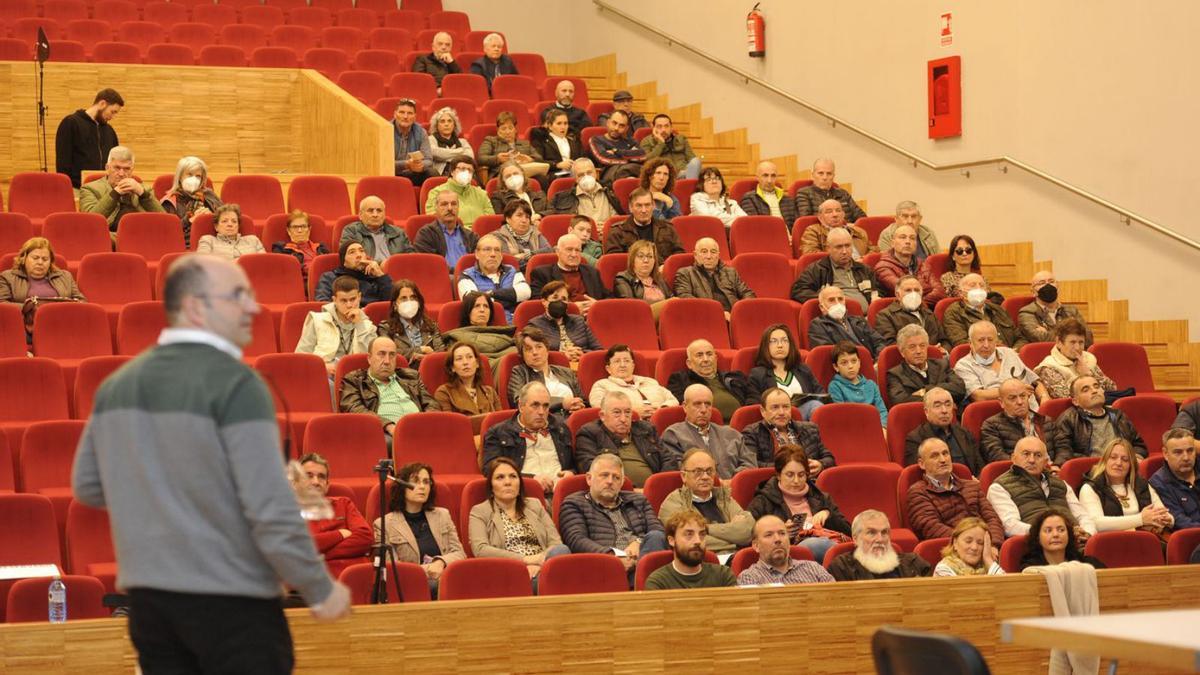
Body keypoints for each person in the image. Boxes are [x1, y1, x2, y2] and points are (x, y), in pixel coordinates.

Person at [71, 255, 351, 672]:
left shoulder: (118, 386)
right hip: (232, 603)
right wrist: (318, 587)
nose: (253, 308)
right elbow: (269, 506)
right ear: (196, 306)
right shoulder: (238, 384)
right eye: (237, 296)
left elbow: (88, 487)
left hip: (150, 604)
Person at [558, 454, 668, 575]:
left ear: (622, 482)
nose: (610, 481)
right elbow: (576, 540)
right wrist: (613, 556)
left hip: (641, 557)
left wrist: (638, 542)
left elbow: (659, 531)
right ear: (589, 479)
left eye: (616, 477)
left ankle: (644, 579)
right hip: (604, 566)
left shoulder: (639, 500)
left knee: (656, 536)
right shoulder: (574, 503)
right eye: (604, 475)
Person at [467, 457, 569, 584]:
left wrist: (539, 564)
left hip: (542, 567)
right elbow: (480, 549)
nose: (508, 482)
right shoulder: (480, 511)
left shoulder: (535, 505)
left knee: (561, 550)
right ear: (491, 487)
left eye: (513, 476)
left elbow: (555, 542)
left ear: (519, 483)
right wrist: (525, 561)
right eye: (500, 477)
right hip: (507, 570)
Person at [748, 445, 851, 563]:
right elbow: (750, 538)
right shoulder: (763, 501)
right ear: (778, 475)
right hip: (788, 558)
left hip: (828, 547)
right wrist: (779, 532)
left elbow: (848, 531)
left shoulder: (821, 497)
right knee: (814, 545)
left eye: (801, 475)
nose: (796, 481)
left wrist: (828, 515)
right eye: (790, 475)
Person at [373, 462, 466, 592]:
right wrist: (428, 569)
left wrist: (440, 562)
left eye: (426, 482)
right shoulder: (384, 524)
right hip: (410, 585)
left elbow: (460, 553)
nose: (422, 486)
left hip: (446, 578)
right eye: (416, 481)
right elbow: (392, 568)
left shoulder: (442, 515)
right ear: (402, 487)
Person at [986, 436, 1097, 538]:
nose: (1032, 460)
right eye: (1026, 454)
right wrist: (1056, 533)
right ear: (1014, 458)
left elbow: (1083, 516)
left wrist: (1087, 534)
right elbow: (1010, 526)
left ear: (1045, 462)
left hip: (1075, 542)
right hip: (1036, 545)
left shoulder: (1061, 484)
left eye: (1038, 455)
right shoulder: (999, 487)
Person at [481, 381, 575, 494]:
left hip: (562, 493)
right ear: (521, 406)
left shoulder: (561, 429)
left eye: (545, 406)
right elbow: (491, 470)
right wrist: (531, 480)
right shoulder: (499, 433)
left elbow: (575, 464)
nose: (541, 412)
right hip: (524, 494)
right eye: (535, 405)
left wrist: (571, 473)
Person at [906, 438, 1005, 543]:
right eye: (935, 456)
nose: (943, 459)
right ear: (922, 464)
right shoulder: (918, 492)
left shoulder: (972, 486)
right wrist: (973, 543)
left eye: (945, 453)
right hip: (951, 550)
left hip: (986, 546)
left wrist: (994, 545)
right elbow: (932, 529)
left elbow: (993, 519)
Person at [658, 449, 753, 554]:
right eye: (697, 472)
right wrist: (735, 540)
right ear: (683, 476)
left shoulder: (723, 497)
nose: (705, 477)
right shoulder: (673, 504)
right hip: (702, 561)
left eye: (709, 471)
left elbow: (749, 530)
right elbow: (689, 542)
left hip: (735, 557)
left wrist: (707, 529)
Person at [340, 336, 435, 437]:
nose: (387, 361)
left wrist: (429, 422)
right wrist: (388, 426)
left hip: (421, 428)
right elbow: (355, 409)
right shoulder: (354, 380)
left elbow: (431, 403)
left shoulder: (411, 376)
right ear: (369, 358)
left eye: (392, 355)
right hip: (383, 432)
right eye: (381, 354)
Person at [575, 390, 675, 486]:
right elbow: (594, 471)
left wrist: (657, 486)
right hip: (617, 495)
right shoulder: (589, 434)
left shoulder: (646, 430)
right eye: (617, 412)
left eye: (627, 412)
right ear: (602, 415)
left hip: (653, 491)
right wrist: (630, 491)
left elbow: (669, 460)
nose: (623, 419)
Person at [297, 453, 372, 576]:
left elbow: (366, 537)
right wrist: (339, 534)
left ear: (327, 485)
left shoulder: (344, 503)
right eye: (308, 476)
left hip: (359, 579)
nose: (315, 482)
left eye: (321, 477)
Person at [660, 384, 755, 479]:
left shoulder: (732, 434)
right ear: (685, 406)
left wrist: (733, 481)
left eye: (708, 404)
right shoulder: (673, 435)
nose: (703, 410)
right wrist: (716, 482)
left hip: (734, 489)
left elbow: (750, 464)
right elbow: (680, 470)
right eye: (697, 404)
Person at [1079, 438, 1173, 533]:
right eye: (1113, 457)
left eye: (1125, 459)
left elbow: (1165, 514)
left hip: (1144, 540)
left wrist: (1166, 520)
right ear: (1104, 461)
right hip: (1110, 543)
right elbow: (1096, 523)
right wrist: (1140, 519)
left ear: (1131, 464)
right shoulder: (1090, 488)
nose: (1119, 463)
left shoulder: (1141, 484)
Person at [1051, 375, 1147, 466]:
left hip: (1122, 466)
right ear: (1075, 401)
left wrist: (1137, 457)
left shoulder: (1118, 415)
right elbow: (1064, 451)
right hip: (1091, 471)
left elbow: (1138, 444)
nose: (1094, 391)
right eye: (1086, 390)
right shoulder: (1068, 418)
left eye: (1096, 386)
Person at [0, 237, 86, 339]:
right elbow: (2, 304)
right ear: (24, 258)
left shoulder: (65, 276)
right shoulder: (7, 277)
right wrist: (28, 307)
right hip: (26, 329)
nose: (40, 262)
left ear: (51, 261)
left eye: (45, 259)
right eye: (35, 258)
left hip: (64, 325)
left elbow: (82, 301)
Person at [903, 388, 1002, 475]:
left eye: (948, 404)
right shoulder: (916, 438)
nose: (944, 410)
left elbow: (980, 467)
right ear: (926, 411)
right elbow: (918, 475)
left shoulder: (964, 433)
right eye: (937, 406)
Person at [741, 388, 837, 474]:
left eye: (786, 407)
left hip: (811, 484)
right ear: (763, 411)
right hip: (773, 486)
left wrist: (820, 464)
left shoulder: (810, 429)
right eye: (775, 407)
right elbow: (752, 465)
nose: (781, 412)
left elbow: (829, 458)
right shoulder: (752, 433)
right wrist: (787, 467)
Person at [296, 276, 377, 375]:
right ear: (334, 300)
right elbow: (301, 357)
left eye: (353, 299)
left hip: (356, 377)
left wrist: (360, 325)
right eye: (343, 300)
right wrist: (322, 366)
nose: (349, 305)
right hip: (325, 374)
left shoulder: (367, 326)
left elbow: (373, 359)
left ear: (359, 297)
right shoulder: (318, 320)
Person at [954, 320, 1046, 405]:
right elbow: (979, 396)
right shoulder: (963, 366)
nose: (986, 345)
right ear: (970, 343)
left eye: (990, 340)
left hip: (1032, 411)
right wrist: (1016, 391)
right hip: (999, 418)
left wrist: (1044, 397)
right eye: (981, 340)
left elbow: (1034, 381)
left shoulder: (1009, 353)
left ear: (996, 341)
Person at [790, 227, 879, 313]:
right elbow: (798, 291)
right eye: (839, 247)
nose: (844, 251)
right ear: (828, 248)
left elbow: (879, 292)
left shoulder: (864, 269)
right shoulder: (818, 269)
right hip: (836, 320)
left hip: (866, 319)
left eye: (847, 246)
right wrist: (826, 297)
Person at [747, 324, 827, 418]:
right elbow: (753, 405)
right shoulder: (758, 374)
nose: (780, 345)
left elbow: (821, 395)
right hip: (775, 419)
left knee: (816, 405)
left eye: (784, 341)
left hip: (804, 418)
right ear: (765, 346)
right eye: (773, 341)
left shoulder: (803, 369)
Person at [643, 510, 738, 590]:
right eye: (689, 534)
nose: (697, 541)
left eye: (702, 534)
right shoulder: (658, 582)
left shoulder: (723, 576)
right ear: (672, 540)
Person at [827, 510, 932, 581]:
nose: (880, 539)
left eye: (884, 532)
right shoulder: (841, 568)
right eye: (871, 532)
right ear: (855, 539)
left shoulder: (914, 563)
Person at [79, 146, 164, 231]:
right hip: (109, 237)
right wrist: (115, 193)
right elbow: (90, 222)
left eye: (127, 169)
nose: (121, 173)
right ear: (107, 168)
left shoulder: (144, 190)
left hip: (142, 235)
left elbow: (164, 220)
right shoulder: (89, 189)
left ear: (132, 169)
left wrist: (143, 194)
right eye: (117, 168)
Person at [666, 338, 753, 421]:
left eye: (709, 354)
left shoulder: (735, 377)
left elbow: (752, 400)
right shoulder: (680, 379)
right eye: (699, 355)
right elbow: (684, 408)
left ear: (716, 359)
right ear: (689, 364)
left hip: (741, 427)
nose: (706, 359)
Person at [736, 515, 836, 586]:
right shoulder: (749, 578)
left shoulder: (814, 569)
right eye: (769, 535)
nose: (777, 539)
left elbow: (837, 600)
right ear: (756, 545)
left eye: (782, 533)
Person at [506, 326, 584, 413]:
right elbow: (519, 401)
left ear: (547, 349)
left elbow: (583, 401)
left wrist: (578, 406)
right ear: (522, 355)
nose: (535, 352)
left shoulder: (566, 372)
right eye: (528, 349)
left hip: (572, 418)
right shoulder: (519, 372)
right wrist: (562, 403)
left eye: (539, 347)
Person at [55, 88, 123, 189]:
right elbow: (63, 163)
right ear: (102, 104)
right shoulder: (71, 123)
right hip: (78, 188)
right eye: (112, 112)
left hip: (105, 189)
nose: (113, 116)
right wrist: (67, 188)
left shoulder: (109, 131)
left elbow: (116, 162)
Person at [673, 236, 755, 319]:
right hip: (705, 318)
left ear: (718, 255)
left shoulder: (731, 272)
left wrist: (740, 312)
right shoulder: (685, 273)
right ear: (695, 255)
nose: (709, 256)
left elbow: (748, 293)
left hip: (734, 318)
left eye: (713, 252)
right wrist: (717, 313)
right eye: (704, 252)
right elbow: (685, 298)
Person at [885, 324, 965, 406]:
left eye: (922, 345)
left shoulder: (942, 364)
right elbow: (901, 402)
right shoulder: (895, 374)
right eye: (912, 347)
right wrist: (946, 399)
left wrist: (925, 390)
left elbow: (959, 389)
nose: (918, 351)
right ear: (902, 352)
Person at [457, 233, 531, 322]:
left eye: (497, 250)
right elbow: (474, 303)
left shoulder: (511, 270)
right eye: (487, 249)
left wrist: (492, 294)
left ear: (501, 255)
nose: (493, 254)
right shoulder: (466, 275)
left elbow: (526, 292)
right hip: (486, 326)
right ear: (477, 254)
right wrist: (512, 298)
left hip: (514, 323)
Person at [1035, 319, 1117, 399]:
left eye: (1081, 342)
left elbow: (1112, 389)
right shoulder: (1048, 367)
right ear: (1059, 343)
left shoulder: (1087, 359)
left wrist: (1090, 374)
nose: (1077, 348)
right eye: (1072, 342)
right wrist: (1086, 377)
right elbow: (1067, 398)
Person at [588, 343, 678, 413]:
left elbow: (673, 400)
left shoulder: (650, 382)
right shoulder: (601, 385)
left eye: (627, 361)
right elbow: (600, 408)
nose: (622, 365)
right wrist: (632, 412)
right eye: (617, 361)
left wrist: (662, 409)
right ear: (608, 369)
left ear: (633, 366)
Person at [979, 378, 1056, 459]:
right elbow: (997, 456)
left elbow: (1063, 448)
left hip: (1052, 469)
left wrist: (1057, 465)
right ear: (1001, 403)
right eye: (1012, 398)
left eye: (1023, 396)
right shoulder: (991, 425)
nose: (1020, 402)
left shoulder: (1045, 420)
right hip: (1017, 470)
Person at [943, 273, 1024, 349]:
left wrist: (1015, 351)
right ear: (961, 292)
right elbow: (961, 343)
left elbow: (1020, 337)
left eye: (982, 285)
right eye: (972, 285)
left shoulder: (998, 309)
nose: (978, 288)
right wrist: (1001, 350)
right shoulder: (954, 312)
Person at [376, 280, 446, 366]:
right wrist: (421, 349)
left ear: (419, 302)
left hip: (431, 369)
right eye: (403, 298)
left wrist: (426, 359)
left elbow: (441, 353)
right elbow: (390, 353)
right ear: (395, 305)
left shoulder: (431, 325)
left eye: (413, 297)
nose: (409, 302)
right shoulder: (385, 328)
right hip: (403, 374)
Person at [527, 232, 606, 309]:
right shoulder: (542, 273)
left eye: (577, 250)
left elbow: (608, 298)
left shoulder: (592, 272)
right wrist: (571, 308)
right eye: (569, 249)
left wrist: (597, 305)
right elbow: (538, 303)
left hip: (592, 316)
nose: (574, 254)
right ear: (558, 252)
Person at [527, 280, 603, 359]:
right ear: (544, 302)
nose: (559, 302)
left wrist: (583, 354)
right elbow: (533, 354)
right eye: (555, 297)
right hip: (555, 367)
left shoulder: (579, 321)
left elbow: (599, 350)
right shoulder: (535, 325)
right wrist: (562, 356)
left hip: (580, 365)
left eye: (564, 299)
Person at [604, 188, 685, 261]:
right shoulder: (617, 231)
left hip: (663, 274)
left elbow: (679, 256)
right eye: (639, 205)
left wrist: (666, 267)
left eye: (647, 205)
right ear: (630, 207)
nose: (644, 210)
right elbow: (614, 262)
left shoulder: (667, 228)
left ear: (653, 206)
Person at [442, 291, 517, 369]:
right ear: (468, 311)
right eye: (477, 306)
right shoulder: (456, 337)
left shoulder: (503, 334)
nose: (482, 310)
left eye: (486, 306)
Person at [807, 285, 885, 358]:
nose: (837, 303)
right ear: (822, 307)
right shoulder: (818, 325)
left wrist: (877, 361)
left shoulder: (859, 320)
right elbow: (827, 353)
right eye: (831, 300)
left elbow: (880, 342)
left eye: (840, 299)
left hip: (871, 362)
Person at [1018, 271, 1093, 347]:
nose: (1048, 285)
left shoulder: (1072, 310)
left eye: (1051, 281)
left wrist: (1048, 332)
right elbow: (1040, 338)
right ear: (1033, 292)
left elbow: (1088, 338)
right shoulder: (1027, 312)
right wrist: (1074, 334)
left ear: (1058, 287)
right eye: (1042, 283)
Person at [875, 275, 951, 350]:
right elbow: (890, 345)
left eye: (917, 290)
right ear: (898, 295)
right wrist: (925, 350)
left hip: (936, 359)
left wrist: (944, 350)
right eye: (908, 290)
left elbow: (944, 340)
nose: (913, 294)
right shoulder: (886, 316)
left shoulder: (929, 313)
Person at [160, 155, 221, 247]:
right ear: (180, 177)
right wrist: (189, 219)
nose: (194, 179)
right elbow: (168, 232)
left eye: (198, 176)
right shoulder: (169, 201)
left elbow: (226, 219)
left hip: (213, 244)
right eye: (189, 174)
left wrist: (211, 217)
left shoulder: (209, 196)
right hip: (185, 245)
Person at [1018, 507, 1105, 570]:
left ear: (1069, 535)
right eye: (1048, 530)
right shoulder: (1031, 569)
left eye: (1061, 530)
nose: (1056, 534)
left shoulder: (1086, 564)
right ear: (1038, 538)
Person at [414, 190, 481, 269]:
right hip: (441, 277)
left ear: (458, 207)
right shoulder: (426, 234)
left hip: (469, 277)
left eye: (453, 204)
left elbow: (480, 263)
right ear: (436, 208)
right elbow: (429, 265)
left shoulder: (471, 237)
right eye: (444, 204)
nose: (450, 208)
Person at [433, 341, 502, 418]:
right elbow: (449, 424)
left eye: (469, 357)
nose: (465, 362)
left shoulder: (490, 392)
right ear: (452, 367)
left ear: (477, 363)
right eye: (459, 359)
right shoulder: (444, 392)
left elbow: (500, 421)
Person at [828, 340, 888, 427]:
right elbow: (840, 415)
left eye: (854, 361)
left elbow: (882, 411)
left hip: (875, 427)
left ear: (859, 362)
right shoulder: (835, 386)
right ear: (836, 367)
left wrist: (883, 428)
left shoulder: (871, 385)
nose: (850, 366)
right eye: (844, 362)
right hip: (852, 429)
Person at [1149, 428, 1200, 529]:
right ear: (1165, 454)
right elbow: (1179, 521)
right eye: (1178, 452)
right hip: (1191, 539)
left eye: (1190, 450)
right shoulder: (1158, 483)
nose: (1186, 457)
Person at [315, 241, 393, 305]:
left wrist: (380, 275)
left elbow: (392, 303)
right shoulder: (330, 277)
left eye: (362, 251)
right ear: (344, 261)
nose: (359, 255)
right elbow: (323, 304)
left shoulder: (375, 277)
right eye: (352, 252)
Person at [425, 156, 493, 229]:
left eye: (470, 170)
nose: (466, 172)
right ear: (452, 172)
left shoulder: (481, 193)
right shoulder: (437, 192)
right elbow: (435, 219)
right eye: (462, 169)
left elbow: (490, 219)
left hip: (481, 235)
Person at [338, 195, 413, 262]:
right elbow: (350, 258)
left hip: (394, 272)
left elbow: (411, 258)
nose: (375, 214)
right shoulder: (351, 231)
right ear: (360, 215)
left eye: (379, 211)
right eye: (370, 211)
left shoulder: (398, 233)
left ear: (384, 215)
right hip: (364, 274)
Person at [794, 158, 867, 222]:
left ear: (833, 176)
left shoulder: (843, 193)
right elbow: (806, 221)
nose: (825, 177)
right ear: (812, 175)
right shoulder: (804, 193)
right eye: (820, 173)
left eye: (829, 174)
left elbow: (862, 218)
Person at [612, 239, 672, 313]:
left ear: (654, 261)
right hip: (639, 318)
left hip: (664, 319)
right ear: (632, 259)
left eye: (650, 256)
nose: (646, 260)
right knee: (674, 302)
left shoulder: (659, 278)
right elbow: (630, 307)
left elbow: (670, 297)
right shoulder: (622, 278)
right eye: (641, 256)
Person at [798, 199, 873, 259]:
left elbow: (873, 251)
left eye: (838, 210)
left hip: (861, 269)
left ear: (843, 215)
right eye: (829, 212)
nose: (835, 215)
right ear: (820, 217)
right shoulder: (813, 231)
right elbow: (811, 255)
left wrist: (864, 260)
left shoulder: (858, 231)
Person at [928, 234, 989, 306]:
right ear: (953, 256)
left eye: (968, 250)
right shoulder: (947, 278)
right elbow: (948, 303)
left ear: (974, 254)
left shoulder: (981, 279)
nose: (964, 253)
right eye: (959, 251)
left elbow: (988, 300)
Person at [271, 210, 328, 286]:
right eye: (295, 227)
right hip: (298, 285)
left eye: (303, 226)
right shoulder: (281, 249)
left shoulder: (321, 248)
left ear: (309, 229)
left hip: (324, 283)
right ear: (288, 231)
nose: (300, 230)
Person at [588, 110, 646, 185]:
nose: (616, 128)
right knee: (626, 170)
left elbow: (642, 155)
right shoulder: (596, 140)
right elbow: (603, 158)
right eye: (614, 123)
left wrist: (617, 152)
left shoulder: (631, 141)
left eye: (621, 126)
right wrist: (630, 158)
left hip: (633, 171)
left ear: (626, 128)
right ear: (608, 122)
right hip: (610, 174)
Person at [873, 224, 932, 298]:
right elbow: (905, 290)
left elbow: (939, 292)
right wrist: (928, 288)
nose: (908, 241)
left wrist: (922, 303)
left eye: (912, 238)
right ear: (892, 243)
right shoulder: (882, 267)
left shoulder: (923, 264)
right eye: (903, 237)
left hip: (924, 308)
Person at [932, 517, 1003, 577]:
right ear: (955, 543)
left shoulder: (989, 566)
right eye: (968, 541)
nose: (974, 547)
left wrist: (988, 559)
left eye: (980, 543)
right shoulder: (943, 569)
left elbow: (1007, 588)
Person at [491, 200, 551, 269]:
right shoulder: (498, 237)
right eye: (519, 215)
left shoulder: (535, 233)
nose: (524, 220)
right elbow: (508, 262)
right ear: (508, 219)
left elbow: (549, 251)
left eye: (527, 217)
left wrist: (528, 255)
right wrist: (536, 258)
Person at [639, 113, 701, 180]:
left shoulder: (681, 139)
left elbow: (692, 159)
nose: (663, 130)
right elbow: (648, 163)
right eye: (659, 126)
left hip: (684, 173)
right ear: (653, 128)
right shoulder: (646, 141)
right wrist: (661, 143)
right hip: (664, 176)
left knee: (696, 161)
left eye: (666, 126)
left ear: (671, 128)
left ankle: (689, 185)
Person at [532, 110, 584, 187]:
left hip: (575, 173)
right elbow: (538, 161)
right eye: (559, 123)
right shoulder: (541, 141)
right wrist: (557, 165)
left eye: (565, 123)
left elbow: (583, 157)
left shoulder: (574, 140)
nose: (563, 127)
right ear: (550, 126)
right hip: (554, 174)